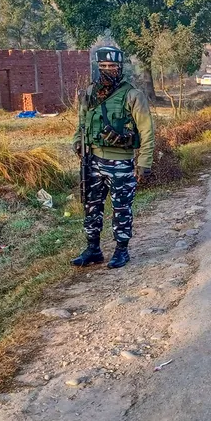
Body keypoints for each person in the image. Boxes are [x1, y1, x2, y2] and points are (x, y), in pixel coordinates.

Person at [71, 46, 155, 269]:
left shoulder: (132, 95)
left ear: (121, 68)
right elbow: (81, 124)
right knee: (91, 206)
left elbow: (146, 131)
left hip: (121, 163)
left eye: (113, 66)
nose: (108, 70)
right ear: (98, 67)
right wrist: (77, 142)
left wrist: (144, 162)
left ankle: (121, 250)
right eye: (104, 66)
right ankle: (93, 249)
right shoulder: (89, 93)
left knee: (121, 208)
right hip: (93, 161)